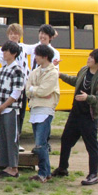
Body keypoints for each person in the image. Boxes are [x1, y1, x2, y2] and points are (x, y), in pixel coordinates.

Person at [51, 48, 98, 186]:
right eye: (89, 56)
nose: (89, 58)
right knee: (66, 140)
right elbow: (76, 81)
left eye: (92, 57)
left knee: (91, 146)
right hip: (75, 114)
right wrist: (60, 75)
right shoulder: (84, 70)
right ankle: (62, 168)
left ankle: (93, 175)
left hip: (89, 117)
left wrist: (87, 98)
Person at [25, 44, 60, 183]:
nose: (35, 58)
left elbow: (44, 90)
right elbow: (28, 89)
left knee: (41, 143)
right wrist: (35, 90)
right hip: (34, 108)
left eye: (37, 55)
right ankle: (46, 172)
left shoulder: (53, 72)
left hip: (46, 110)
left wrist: (34, 90)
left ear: (45, 57)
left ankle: (43, 173)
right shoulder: (35, 71)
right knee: (39, 143)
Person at [0, 41, 26, 178]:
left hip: (10, 109)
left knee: (12, 138)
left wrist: (3, 106)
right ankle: (6, 165)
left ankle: (14, 167)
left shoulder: (17, 70)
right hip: (0, 107)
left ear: (14, 53)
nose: (4, 53)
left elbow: (16, 92)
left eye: (6, 51)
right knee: (2, 137)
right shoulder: (3, 68)